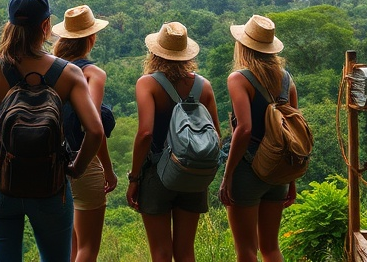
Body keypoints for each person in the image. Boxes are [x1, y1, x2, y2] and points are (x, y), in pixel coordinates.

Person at [0, 0, 103, 262]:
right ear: (45, 26)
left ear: (10, 25)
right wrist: (75, 169)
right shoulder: (69, 73)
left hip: (0, 180)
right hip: (50, 182)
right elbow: (96, 131)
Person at [126, 21, 221, 262]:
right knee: (186, 252)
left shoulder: (147, 84)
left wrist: (134, 178)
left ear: (155, 52)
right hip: (192, 175)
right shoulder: (204, 86)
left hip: (156, 175)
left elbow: (146, 134)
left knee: (160, 253)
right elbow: (217, 137)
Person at [219, 14, 298, 262]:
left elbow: (243, 130)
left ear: (243, 46)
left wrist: (227, 175)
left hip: (248, 169)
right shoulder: (287, 80)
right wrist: (291, 179)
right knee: (271, 248)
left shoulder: (239, 79)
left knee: (246, 250)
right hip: (278, 170)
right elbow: (293, 131)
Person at [51, 4, 118, 262]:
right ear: (91, 38)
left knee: (70, 249)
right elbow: (92, 126)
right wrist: (108, 170)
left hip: (51, 162)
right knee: (88, 249)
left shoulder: (49, 70)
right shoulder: (92, 73)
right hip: (84, 162)